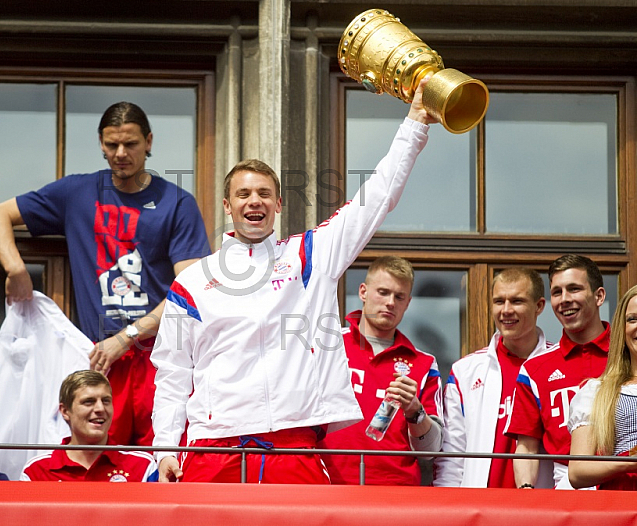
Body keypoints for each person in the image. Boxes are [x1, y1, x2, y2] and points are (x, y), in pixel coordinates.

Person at [151, 79, 437, 484]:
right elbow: (172, 370)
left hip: (294, 447)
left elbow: (375, 199)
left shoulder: (309, 255)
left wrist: (415, 123)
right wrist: (164, 448)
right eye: (244, 194)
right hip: (214, 450)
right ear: (228, 205)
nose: (255, 201)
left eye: (265, 193)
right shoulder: (195, 280)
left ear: (279, 205)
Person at [0, 102, 210, 447]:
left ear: (148, 142)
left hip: (161, 357)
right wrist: (15, 268)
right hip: (96, 360)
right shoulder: (77, 193)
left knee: (164, 458)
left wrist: (128, 336)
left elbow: (191, 291)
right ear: (101, 144)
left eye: (131, 144)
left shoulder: (176, 202)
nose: (121, 153)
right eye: (111, 144)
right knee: (96, 462)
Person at [317, 256, 443, 485]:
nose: (391, 302)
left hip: (395, 495)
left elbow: (431, 450)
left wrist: (414, 410)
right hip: (326, 486)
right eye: (383, 292)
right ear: (363, 292)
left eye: (399, 296)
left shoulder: (424, 363)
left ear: (408, 303)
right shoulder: (327, 345)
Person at [434, 268, 554, 488]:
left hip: (542, 511)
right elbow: (451, 457)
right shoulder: (465, 371)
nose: (506, 310)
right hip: (479, 512)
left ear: (539, 306)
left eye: (517, 301)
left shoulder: (559, 367)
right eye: (499, 301)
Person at [506, 254, 610, 489]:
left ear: (599, 296)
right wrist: (526, 493)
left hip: (626, 485)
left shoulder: (628, 354)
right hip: (567, 493)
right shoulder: (534, 369)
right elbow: (526, 446)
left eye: (574, 289)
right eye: (557, 292)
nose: (564, 299)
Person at [20, 370, 157, 482]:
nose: (100, 408)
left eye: (106, 401)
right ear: (65, 411)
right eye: (88, 402)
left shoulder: (142, 466)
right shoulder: (36, 472)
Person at [568, 284, 637, 490]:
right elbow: (578, 472)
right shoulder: (597, 391)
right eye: (633, 319)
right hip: (625, 502)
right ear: (622, 330)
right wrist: (630, 461)